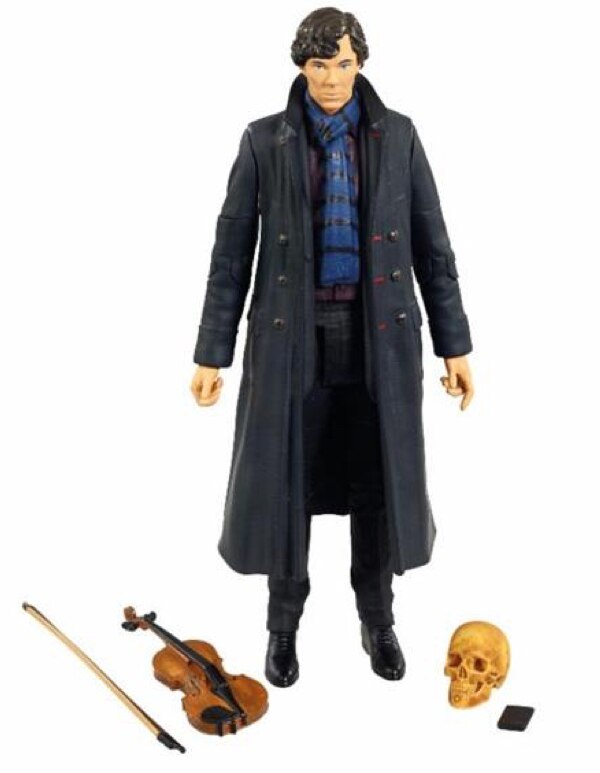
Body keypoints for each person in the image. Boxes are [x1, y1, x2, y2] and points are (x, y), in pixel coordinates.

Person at [190, 7, 474, 687]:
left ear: (360, 63)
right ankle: (282, 626)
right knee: (288, 480)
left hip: (380, 342)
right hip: (292, 342)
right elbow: (231, 253)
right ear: (301, 66)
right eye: (319, 65)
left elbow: (433, 245)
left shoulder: (399, 136)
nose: (330, 79)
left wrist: (455, 345)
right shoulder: (265, 140)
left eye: (342, 64)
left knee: (377, 480)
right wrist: (211, 351)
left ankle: (378, 619)